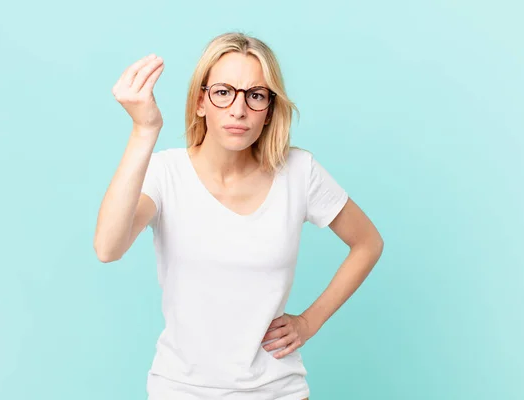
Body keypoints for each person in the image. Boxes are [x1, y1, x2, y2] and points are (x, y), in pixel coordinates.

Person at [94, 32, 384, 400]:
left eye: (256, 95)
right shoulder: (166, 173)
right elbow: (107, 247)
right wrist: (144, 130)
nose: (238, 109)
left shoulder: (298, 171)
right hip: (181, 390)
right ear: (201, 101)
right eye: (223, 92)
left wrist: (309, 321)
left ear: (269, 110)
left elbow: (368, 243)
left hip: (277, 391)